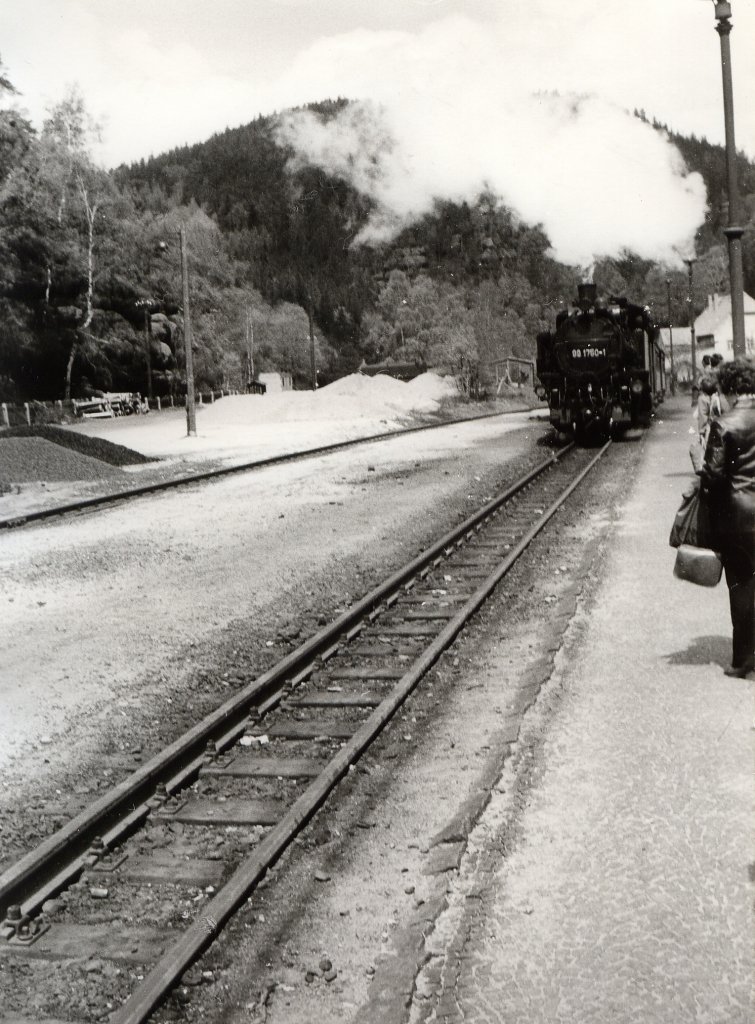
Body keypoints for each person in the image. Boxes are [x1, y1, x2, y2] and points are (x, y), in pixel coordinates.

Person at [701, 358, 755, 677]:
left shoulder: (725, 423)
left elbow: (713, 476)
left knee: (742, 584)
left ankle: (744, 660)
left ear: (731, 387)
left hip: (738, 517)